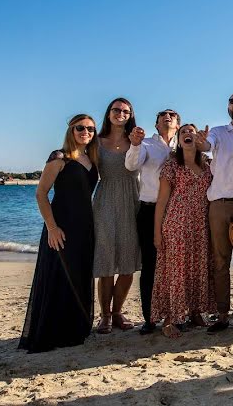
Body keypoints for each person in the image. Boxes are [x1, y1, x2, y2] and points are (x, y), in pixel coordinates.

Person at [19, 115, 99, 352]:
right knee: (59, 275)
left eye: (91, 128)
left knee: (80, 274)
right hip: (61, 225)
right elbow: (41, 193)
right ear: (71, 130)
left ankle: (75, 328)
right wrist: (52, 228)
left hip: (85, 226)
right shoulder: (59, 157)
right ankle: (54, 332)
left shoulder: (92, 159)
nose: (85, 131)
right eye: (80, 128)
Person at [194, 92, 233, 333]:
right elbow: (207, 146)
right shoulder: (217, 132)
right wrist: (201, 143)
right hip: (219, 204)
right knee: (220, 262)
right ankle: (221, 315)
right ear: (228, 107)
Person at [152, 124, 217, 338]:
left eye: (191, 131)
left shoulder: (208, 165)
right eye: (183, 132)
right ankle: (172, 317)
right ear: (178, 140)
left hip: (201, 224)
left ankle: (196, 311)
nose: (187, 134)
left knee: (199, 267)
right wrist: (157, 232)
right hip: (177, 223)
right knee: (176, 270)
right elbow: (161, 201)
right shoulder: (172, 166)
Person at [125, 109, 180, 335]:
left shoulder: (184, 144)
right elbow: (131, 166)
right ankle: (150, 318)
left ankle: (175, 315)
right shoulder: (145, 144)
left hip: (177, 213)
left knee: (175, 266)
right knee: (150, 266)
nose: (168, 117)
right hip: (149, 211)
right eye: (163, 115)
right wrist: (135, 144)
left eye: (172, 115)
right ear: (157, 124)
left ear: (178, 124)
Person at [93, 97, 142, 333]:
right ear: (109, 113)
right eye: (116, 110)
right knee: (106, 262)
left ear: (130, 114)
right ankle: (104, 316)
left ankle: (117, 312)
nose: (120, 113)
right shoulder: (96, 141)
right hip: (105, 202)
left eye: (125, 111)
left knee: (128, 263)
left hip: (133, 200)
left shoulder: (136, 140)